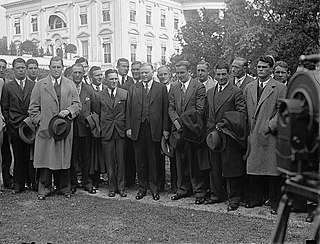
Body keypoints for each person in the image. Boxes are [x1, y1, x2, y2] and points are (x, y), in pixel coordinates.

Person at [28, 56, 81, 200]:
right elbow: (33, 108)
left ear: (62, 68)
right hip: (46, 130)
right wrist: (41, 121)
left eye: (59, 67)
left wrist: (69, 111)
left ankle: (64, 188)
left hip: (63, 129)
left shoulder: (70, 85)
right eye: (53, 67)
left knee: (64, 158)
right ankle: (44, 188)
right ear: (49, 68)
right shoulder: (40, 85)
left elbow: (77, 104)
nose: (56, 69)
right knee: (45, 159)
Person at [243, 56, 287, 213]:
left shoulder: (279, 87)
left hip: (270, 135)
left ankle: (275, 202)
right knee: (254, 168)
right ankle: (255, 198)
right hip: (253, 133)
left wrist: (269, 126)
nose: (260, 69)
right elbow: (245, 110)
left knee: (272, 170)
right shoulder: (249, 87)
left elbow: (283, 111)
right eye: (258, 67)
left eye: (263, 67)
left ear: (270, 69)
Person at [206, 61, 247, 211]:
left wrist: (225, 123)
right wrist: (209, 129)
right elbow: (206, 113)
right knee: (214, 167)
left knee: (230, 167)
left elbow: (242, 115)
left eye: (224, 74)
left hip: (229, 135)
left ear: (228, 74)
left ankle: (234, 198)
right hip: (213, 135)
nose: (221, 77)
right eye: (218, 74)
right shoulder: (210, 92)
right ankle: (216, 195)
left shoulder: (236, 91)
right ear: (214, 75)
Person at [169, 60, 210, 205]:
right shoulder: (174, 87)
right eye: (178, 72)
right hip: (179, 130)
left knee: (195, 162)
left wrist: (185, 125)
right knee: (181, 161)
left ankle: (199, 191)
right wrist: (176, 123)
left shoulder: (198, 87)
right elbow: (171, 108)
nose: (180, 75)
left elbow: (199, 110)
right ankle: (182, 189)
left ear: (189, 72)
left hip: (193, 130)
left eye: (182, 72)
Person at [126, 63, 169, 201]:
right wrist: (128, 128)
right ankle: (142, 188)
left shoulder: (161, 88)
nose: (144, 75)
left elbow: (165, 110)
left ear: (152, 72)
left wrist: (165, 129)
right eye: (142, 72)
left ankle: (155, 188)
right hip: (138, 129)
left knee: (154, 159)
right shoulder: (133, 88)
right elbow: (128, 110)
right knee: (140, 160)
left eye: (146, 72)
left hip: (154, 129)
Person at [2, 58, 35, 193]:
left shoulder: (33, 85)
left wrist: (31, 120)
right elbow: (5, 106)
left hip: (29, 126)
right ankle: (18, 184)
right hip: (15, 126)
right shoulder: (8, 86)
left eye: (23, 67)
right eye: (18, 68)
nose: (21, 70)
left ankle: (32, 182)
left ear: (26, 69)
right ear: (13, 69)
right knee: (18, 154)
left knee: (30, 154)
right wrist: (10, 122)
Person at [97, 69, 128, 197]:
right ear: (106, 80)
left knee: (121, 160)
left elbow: (128, 112)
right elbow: (97, 114)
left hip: (120, 130)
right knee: (109, 161)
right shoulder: (99, 95)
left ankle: (121, 187)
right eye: (111, 79)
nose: (114, 81)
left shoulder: (124, 94)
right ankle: (111, 187)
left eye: (116, 79)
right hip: (107, 131)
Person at [70, 63, 96, 194]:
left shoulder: (89, 89)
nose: (78, 75)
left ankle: (87, 182)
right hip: (70, 130)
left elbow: (95, 109)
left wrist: (91, 121)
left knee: (87, 158)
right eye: (75, 72)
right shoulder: (67, 87)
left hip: (86, 130)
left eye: (80, 72)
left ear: (83, 74)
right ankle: (73, 183)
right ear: (71, 73)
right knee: (72, 158)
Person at [157, 65, 177, 192]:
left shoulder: (175, 88)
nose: (163, 77)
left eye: (165, 74)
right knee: (159, 157)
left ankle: (175, 185)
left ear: (170, 74)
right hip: (159, 128)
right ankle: (160, 184)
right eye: (161, 75)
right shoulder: (156, 89)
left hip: (174, 127)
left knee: (174, 157)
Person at [118, 58, 136, 187]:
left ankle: (129, 179)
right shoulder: (111, 80)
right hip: (116, 121)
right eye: (123, 66)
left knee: (129, 153)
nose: (125, 68)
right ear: (118, 67)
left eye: (127, 66)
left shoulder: (131, 82)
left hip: (128, 120)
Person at [88, 66, 105, 188]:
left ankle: (102, 176)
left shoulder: (105, 89)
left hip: (105, 126)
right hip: (93, 127)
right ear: (90, 77)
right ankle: (94, 178)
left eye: (101, 75)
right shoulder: (89, 90)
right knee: (93, 153)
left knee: (102, 153)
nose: (100, 77)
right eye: (97, 75)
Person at [0, 58, 13, 189]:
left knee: (6, 154)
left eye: (4, 67)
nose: (1, 70)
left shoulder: (6, 83)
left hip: (5, 123)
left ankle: (7, 179)